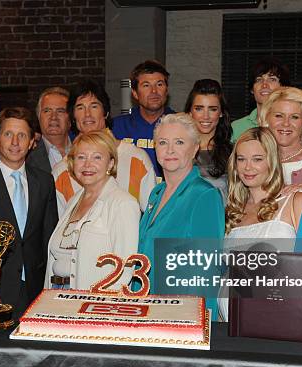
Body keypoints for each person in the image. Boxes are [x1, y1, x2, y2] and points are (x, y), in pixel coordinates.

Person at [220, 127, 302, 320]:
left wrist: (285, 311)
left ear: (272, 161)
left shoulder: (298, 202)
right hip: (230, 323)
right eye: (241, 159)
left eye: (257, 159)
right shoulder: (230, 212)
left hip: (281, 323)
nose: (247, 167)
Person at [0, 107, 58, 318]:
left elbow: (49, 237)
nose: (15, 142)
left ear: (32, 142)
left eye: (22, 135)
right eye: (8, 134)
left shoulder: (44, 182)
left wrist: (50, 288)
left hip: (37, 290)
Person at [138, 113, 224, 320]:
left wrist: (195, 324)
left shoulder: (205, 195)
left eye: (179, 142)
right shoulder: (156, 194)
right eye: (163, 142)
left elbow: (206, 272)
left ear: (195, 148)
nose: (169, 150)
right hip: (146, 308)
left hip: (179, 315)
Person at [45, 130, 140, 290]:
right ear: (72, 163)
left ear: (110, 163)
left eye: (97, 157)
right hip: (57, 296)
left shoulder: (123, 203)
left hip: (92, 304)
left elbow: (124, 270)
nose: (87, 164)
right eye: (81, 157)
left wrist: (97, 310)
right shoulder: (74, 200)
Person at [51, 79, 156, 215]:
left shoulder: (136, 158)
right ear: (73, 117)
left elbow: (153, 217)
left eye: (94, 106)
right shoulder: (61, 172)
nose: (87, 114)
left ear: (105, 112)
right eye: (80, 107)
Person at [112, 60, 176, 176]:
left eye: (159, 84)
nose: (154, 91)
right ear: (135, 93)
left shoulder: (180, 126)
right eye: (146, 85)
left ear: (167, 90)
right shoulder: (116, 127)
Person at [184, 79, 233, 201]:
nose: (206, 116)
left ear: (221, 113)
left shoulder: (233, 153)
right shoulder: (179, 150)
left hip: (221, 217)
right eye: (199, 108)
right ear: (190, 112)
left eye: (213, 109)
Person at [231, 57, 290, 142]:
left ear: (284, 87)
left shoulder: (289, 125)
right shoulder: (236, 127)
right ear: (252, 89)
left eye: (272, 79)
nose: (264, 85)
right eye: (259, 80)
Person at [26, 87, 72, 174]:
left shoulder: (85, 149)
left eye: (60, 111)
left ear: (71, 118)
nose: (53, 117)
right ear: (38, 117)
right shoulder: (26, 156)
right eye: (47, 111)